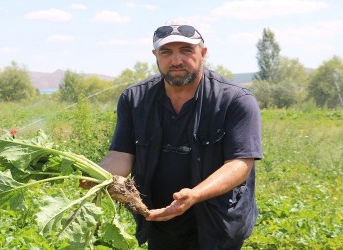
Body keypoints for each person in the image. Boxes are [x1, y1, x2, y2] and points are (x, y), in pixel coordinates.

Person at [100, 19, 263, 250]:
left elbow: (240, 164)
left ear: (203, 52)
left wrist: (194, 195)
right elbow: (120, 155)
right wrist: (96, 177)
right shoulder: (134, 99)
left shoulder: (234, 100)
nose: (176, 61)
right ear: (156, 55)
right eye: (166, 52)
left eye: (186, 50)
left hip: (217, 223)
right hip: (159, 218)